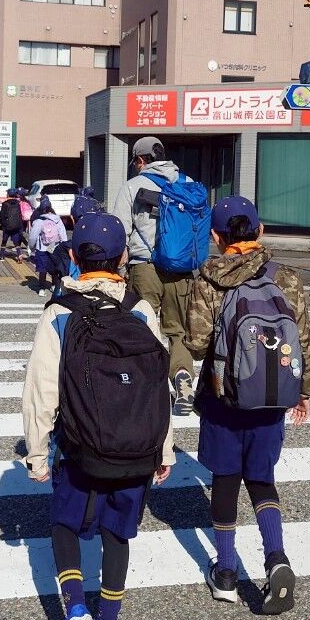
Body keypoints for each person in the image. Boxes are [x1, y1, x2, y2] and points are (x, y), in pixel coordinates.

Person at [22, 211, 174, 620]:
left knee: (65, 526)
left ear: (73, 256)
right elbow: (159, 388)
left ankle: (76, 614)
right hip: (136, 450)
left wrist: (37, 453)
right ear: (123, 257)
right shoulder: (141, 311)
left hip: (80, 449)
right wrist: (163, 450)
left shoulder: (59, 313)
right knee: (117, 535)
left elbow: (41, 392)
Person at [186, 196, 310, 614]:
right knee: (262, 479)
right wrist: (304, 391)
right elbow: (304, 340)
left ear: (216, 236)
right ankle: (276, 559)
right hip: (271, 398)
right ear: (259, 231)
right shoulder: (286, 277)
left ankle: (225, 573)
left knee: (225, 480)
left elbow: (197, 343)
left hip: (223, 399)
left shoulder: (208, 279)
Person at [112, 135, 198, 415]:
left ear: (140, 160)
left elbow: (119, 232)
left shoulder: (133, 186)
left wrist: (119, 270)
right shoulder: (187, 183)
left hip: (145, 267)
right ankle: (183, 377)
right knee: (178, 330)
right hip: (181, 270)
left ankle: (146, 387)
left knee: (142, 329)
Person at [28, 197, 67, 295]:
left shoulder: (39, 221)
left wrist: (32, 247)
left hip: (42, 247)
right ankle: (54, 286)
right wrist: (64, 247)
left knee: (42, 268)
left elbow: (33, 237)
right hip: (54, 246)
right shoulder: (57, 219)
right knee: (54, 266)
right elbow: (63, 235)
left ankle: (41, 289)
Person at [0, 188, 26, 261]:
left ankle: (2, 256)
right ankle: (19, 255)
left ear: (8, 194)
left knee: (4, 241)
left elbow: (2, 215)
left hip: (7, 225)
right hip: (16, 225)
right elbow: (20, 215)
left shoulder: (5, 204)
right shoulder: (18, 203)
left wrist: (2, 225)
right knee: (16, 242)